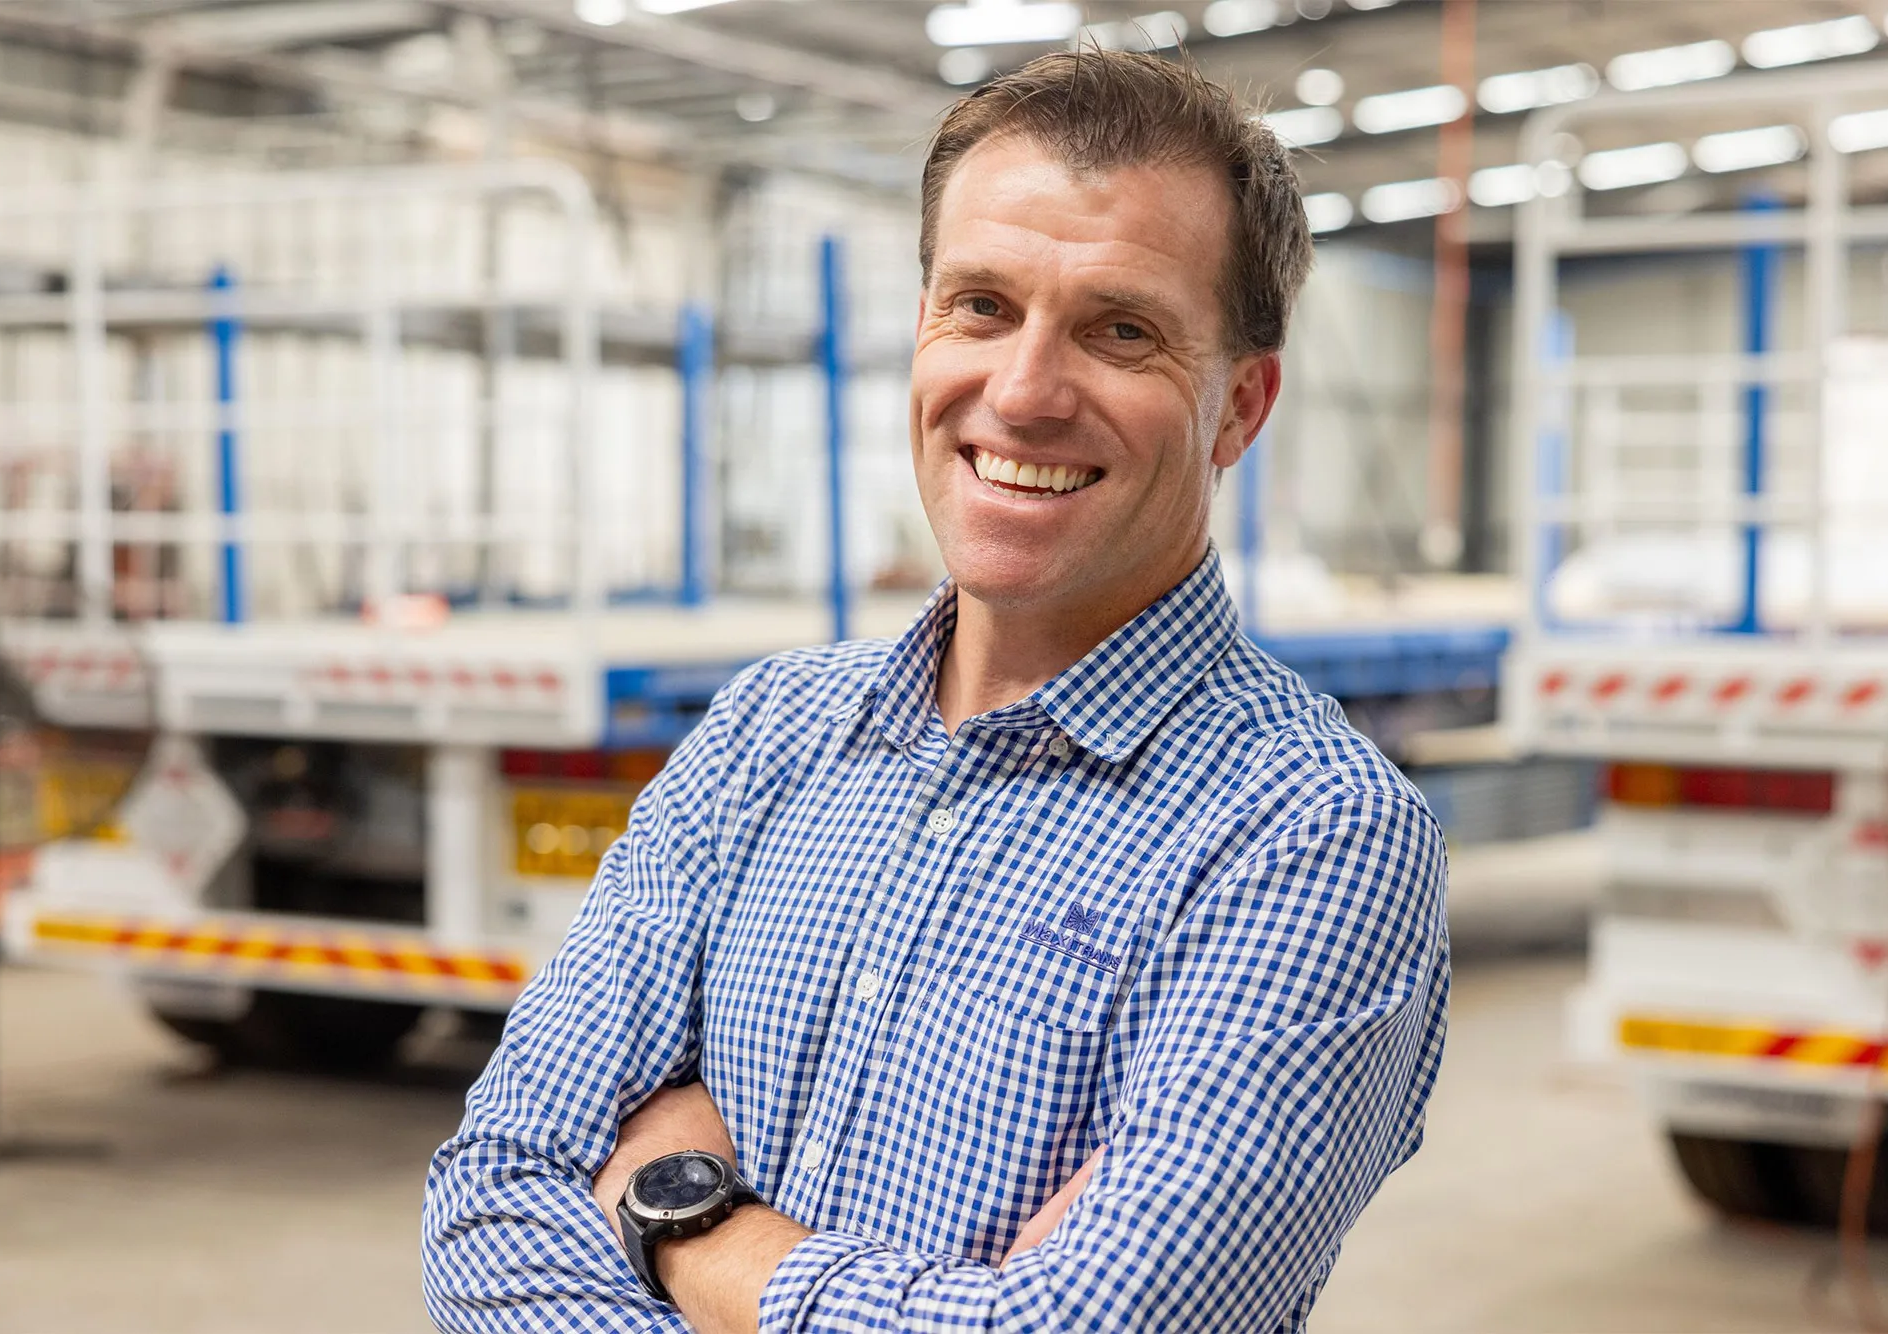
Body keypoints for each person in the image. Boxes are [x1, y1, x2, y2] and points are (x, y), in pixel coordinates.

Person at [424, 49, 1448, 1334]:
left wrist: (683, 1219)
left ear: (1239, 402)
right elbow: (491, 1196)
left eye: (1119, 329)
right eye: (978, 305)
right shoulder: (765, 733)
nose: (1020, 392)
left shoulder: (1308, 838)